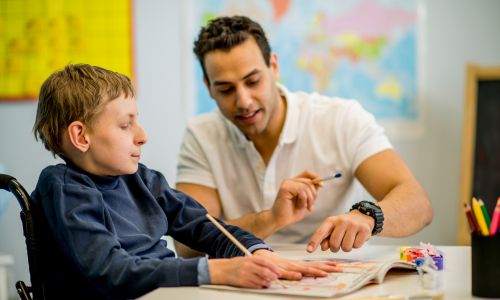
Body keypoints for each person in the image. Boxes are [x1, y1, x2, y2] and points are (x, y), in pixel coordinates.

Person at [31, 64, 337, 299]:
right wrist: (214, 270)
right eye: (126, 125)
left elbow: (206, 226)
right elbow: (113, 272)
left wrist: (257, 253)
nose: (142, 135)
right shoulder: (63, 188)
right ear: (81, 136)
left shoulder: (141, 179)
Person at [175, 15, 433, 255]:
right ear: (208, 87)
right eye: (226, 89)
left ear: (273, 67)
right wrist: (271, 219)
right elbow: (187, 246)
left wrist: (367, 216)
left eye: (253, 81)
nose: (243, 101)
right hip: (243, 279)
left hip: (335, 275)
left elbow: (418, 205)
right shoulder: (201, 135)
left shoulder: (342, 119)